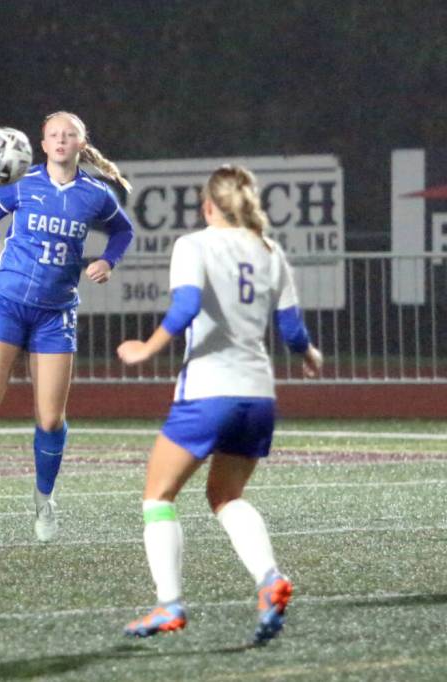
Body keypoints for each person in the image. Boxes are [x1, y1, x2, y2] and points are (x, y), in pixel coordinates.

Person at [116, 164, 323, 644]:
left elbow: (186, 307)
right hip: (257, 395)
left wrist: (145, 349)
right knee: (227, 497)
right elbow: (292, 331)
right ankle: (270, 579)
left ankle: (168, 604)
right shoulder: (270, 251)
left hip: (209, 390)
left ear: (208, 206)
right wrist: (310, 356)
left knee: (157, 496)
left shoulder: (194, 245)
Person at [0, 111, 134, 542]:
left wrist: (107, 260)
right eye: (54, 135)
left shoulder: (94, 195)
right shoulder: (22, 182)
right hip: (5, 305)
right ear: (41, 145)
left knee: (50, 418)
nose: (61, 141)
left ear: (81, 142)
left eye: (69, 135)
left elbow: (123, 231)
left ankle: (44, 499)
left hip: (55, 313)